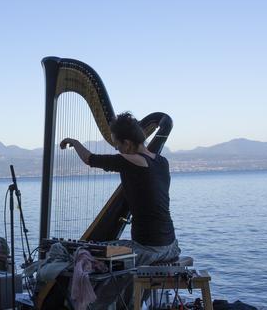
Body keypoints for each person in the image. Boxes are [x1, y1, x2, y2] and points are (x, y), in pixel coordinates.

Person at [60, 112, 180, 308]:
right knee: (102, 254)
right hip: (170, 245)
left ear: (127, 143)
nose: (117, 150)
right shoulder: (162, 162)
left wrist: (74, 141)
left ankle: (92, 306)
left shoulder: (131, 161)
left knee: (85, 254)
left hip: (147, 250)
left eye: (117, 145)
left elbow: (90, 159)